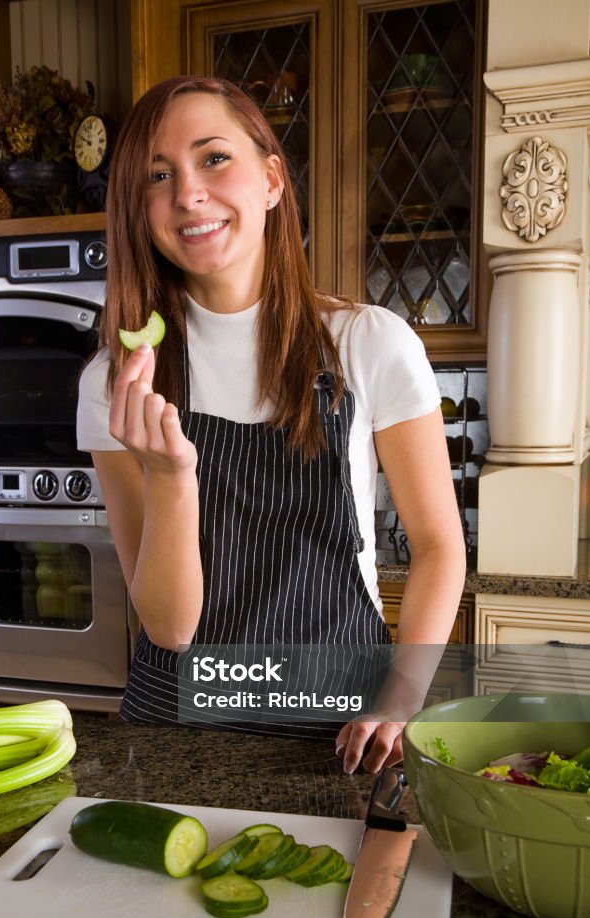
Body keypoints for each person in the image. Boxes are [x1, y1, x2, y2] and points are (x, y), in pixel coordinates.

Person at [77, 75, 466, 774]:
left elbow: (439, 546)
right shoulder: (117, 381)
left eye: (213, 158)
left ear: (272, 180)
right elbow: (168, 627)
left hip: (342, 730)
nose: (187, 193)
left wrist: (402, 691)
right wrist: (170, 476)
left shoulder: (366, 343)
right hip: (180, 731)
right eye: (156, 176)